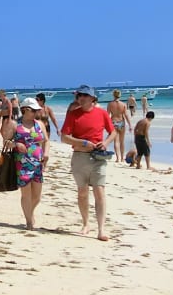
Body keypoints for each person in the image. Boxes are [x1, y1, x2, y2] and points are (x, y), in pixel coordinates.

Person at [60, 84, 116, 241]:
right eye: (79, 96)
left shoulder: (102, 113)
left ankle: (101, 229)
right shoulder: (73, 114)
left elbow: (113, 132)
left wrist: (105, 142)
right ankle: (85, 223)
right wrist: (83, 142)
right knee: (82, 192)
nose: (81, 98)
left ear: (93, 98)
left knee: (100, 191)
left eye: (84, 95)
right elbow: (64, 137)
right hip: (79, 157)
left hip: (98, 157)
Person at [2, 97, 48, 230]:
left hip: (38, 164)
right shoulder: (15, 124)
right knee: (26, 194)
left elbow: (46, 141)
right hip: (21, 164)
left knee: (37, 196)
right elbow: (6, 142)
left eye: (37, 110)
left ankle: (30, 212)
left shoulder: (39, 124)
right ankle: (29, 221)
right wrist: (16, 144)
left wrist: (46, 154)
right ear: (25, 110)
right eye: (34, 110)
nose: (36, 113)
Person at [106, 89, 133, 163]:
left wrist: (106, 125)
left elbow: (107, 115)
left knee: (116, 141)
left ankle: (117, 158)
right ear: (120, 95)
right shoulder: (123, 104)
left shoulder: (110, 104)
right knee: (122, 141)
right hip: (121, 122)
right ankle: (122, 158)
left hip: (113, 122)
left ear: (113, 95)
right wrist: (130, 125)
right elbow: (126, 115)